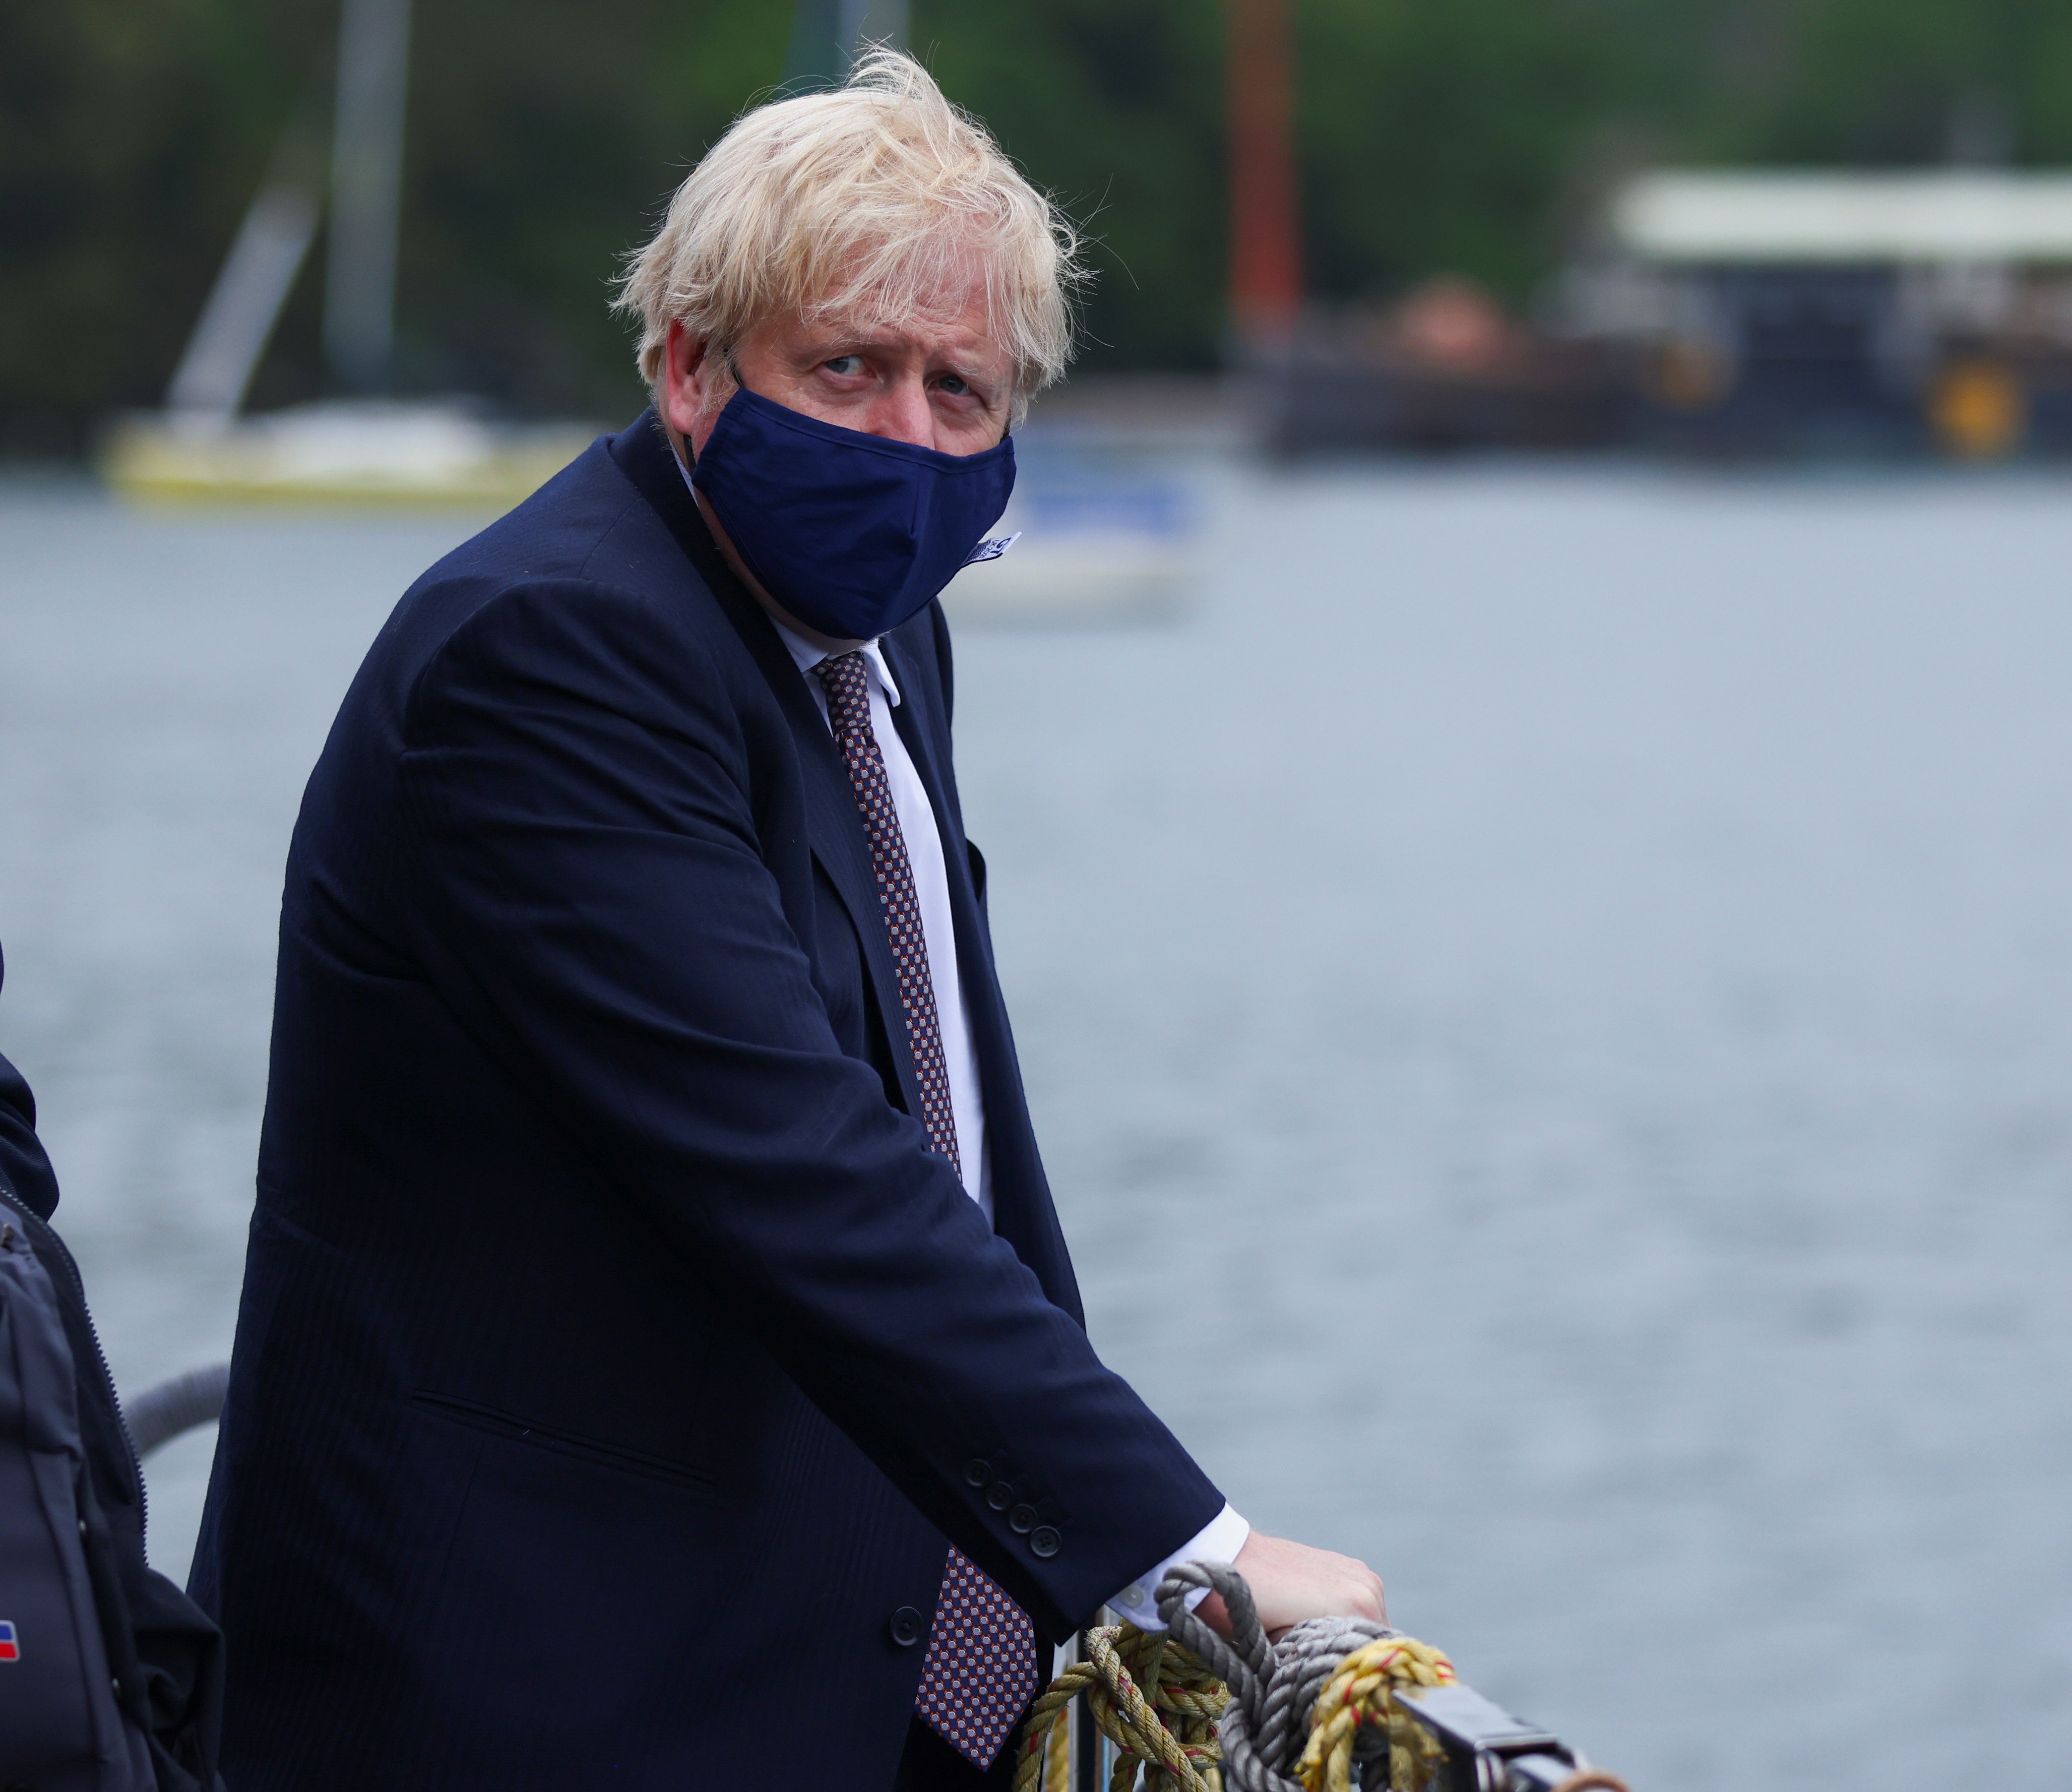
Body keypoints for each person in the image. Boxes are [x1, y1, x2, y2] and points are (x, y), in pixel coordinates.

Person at [190, 52, 1380, 1789]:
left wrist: (1073, 1559)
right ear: (688, 366)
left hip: (830, 1652)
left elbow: (953, 1124)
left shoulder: (880, 631)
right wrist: (1190, 1550)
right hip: (524, 1691)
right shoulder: (547, 656)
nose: (906, 438)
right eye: (846, 368)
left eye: (958, 391)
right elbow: (796, 1156)